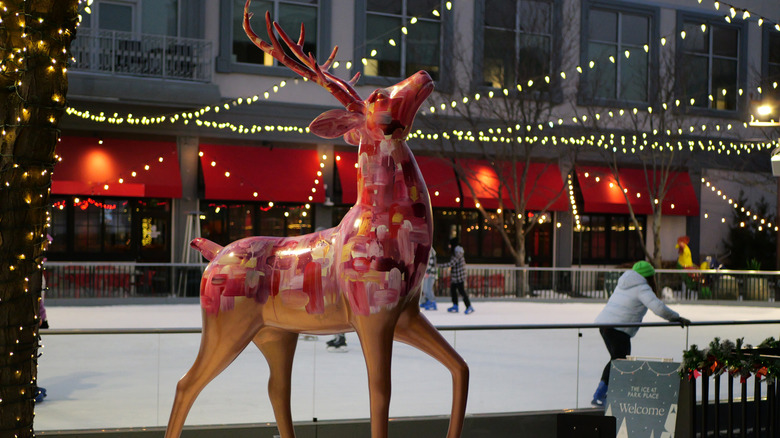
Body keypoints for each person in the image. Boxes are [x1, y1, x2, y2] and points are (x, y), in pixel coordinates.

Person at [591, 261, 690, 407]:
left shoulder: (624, 283)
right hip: (619, 329)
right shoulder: (641, 287)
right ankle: (601, 395)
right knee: (619, 361)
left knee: (618, 360)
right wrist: (676, 317)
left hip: (605, 325)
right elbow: (658, 308)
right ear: (650, 277)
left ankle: (605, 393)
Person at [440, 238, 473, 314]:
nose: (449, 246)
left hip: (459, 276)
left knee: (461, 291)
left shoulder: (458, 253)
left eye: (450, 245)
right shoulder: (456, 252)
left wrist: (440, 265)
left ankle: (469, 306)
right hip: (456, 276)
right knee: (453, 290)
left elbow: (452, 263)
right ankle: (455, 306)